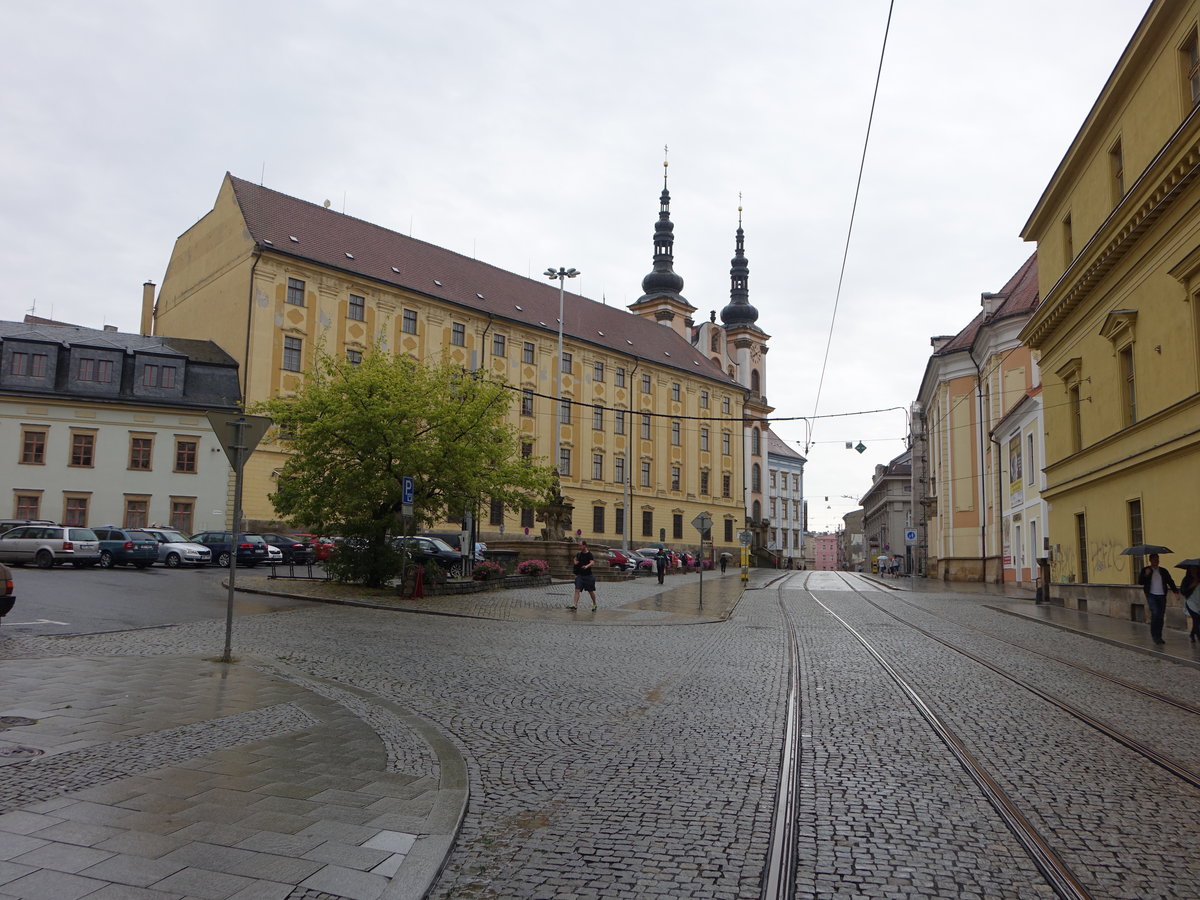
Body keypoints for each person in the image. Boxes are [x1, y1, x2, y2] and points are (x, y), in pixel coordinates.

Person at [1138, 553, 1181, 645]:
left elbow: (1170, 581)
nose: (1156, 561)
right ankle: (1154, 635)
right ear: (1150, 560)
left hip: (1161, 595)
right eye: (1154, 559)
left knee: (1160, 616)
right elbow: (1140, 582)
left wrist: (1176, 592)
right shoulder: (1146, 570)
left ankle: (1159, 636)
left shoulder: (1163, 571)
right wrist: (1146, 575)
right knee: (1155, 613)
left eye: (1157, 559)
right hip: (1151, 595)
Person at [568, 540, 597, 611]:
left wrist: (587, 566)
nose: (579, 547)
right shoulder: (579, 554)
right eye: (579, 545)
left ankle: (594, 604)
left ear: (584, 546)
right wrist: (575, 562)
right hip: (580, 575)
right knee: (577, 590)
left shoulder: (589, 554)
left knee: (590, 591)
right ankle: (574, 604)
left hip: (588, 576)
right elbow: (574, 559)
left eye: (580, 545)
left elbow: (592, 562)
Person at [1181, 564, 1200, 643]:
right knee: (1196, 619)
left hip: (1199, 601)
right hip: (1191, 602)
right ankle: (1199, 636)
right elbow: (1183, 591)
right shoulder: (1186, 579)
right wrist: (1192, 585)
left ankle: (1192, 634)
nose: (1194, 570)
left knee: (1197, 620)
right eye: (1192, 569)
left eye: (1195, 568)